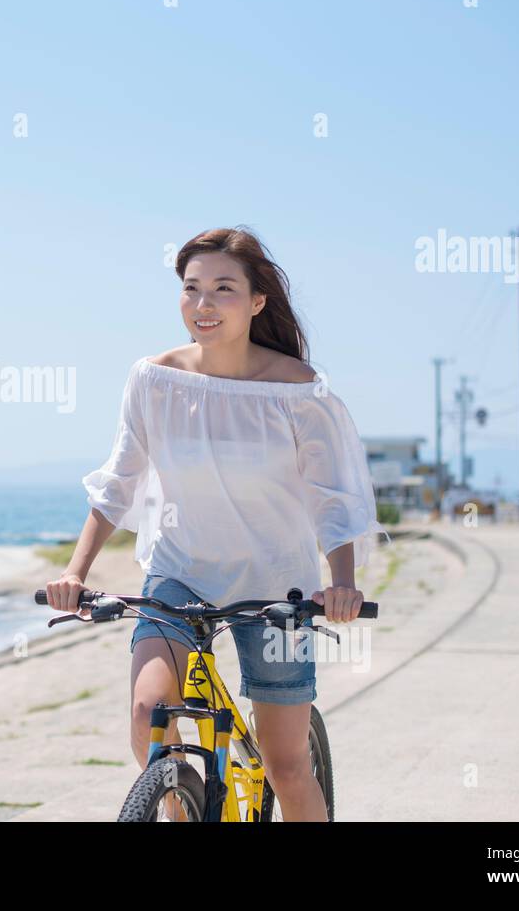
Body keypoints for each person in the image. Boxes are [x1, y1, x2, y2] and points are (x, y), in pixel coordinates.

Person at [43, 226, 389, 821]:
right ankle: (178, 800)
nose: (202, 306)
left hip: (279, 590)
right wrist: (75, 572)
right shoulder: (154, 380)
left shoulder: (298, 391)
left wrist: (342, 582)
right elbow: (119, 482)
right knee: (149, 719)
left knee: (285, 766)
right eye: (191, 289)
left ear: (257, 301)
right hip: (180, 578)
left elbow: (334, 499)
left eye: (222, 289)